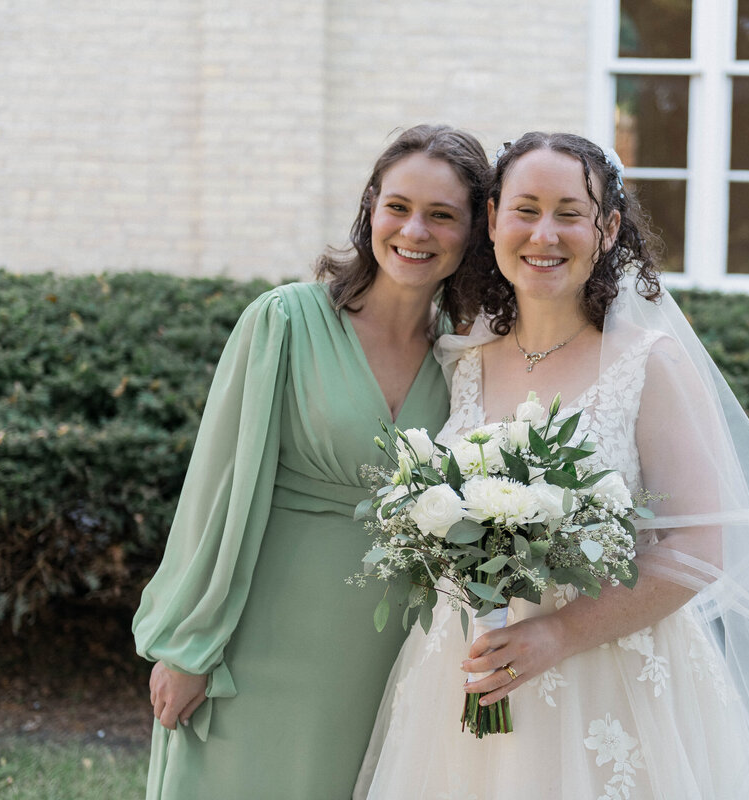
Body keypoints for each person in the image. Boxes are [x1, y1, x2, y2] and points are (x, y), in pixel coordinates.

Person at [355, 132, 749, 799]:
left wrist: (558, 634)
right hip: (468, 671)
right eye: (525, 209)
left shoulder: (649, 364)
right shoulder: (459, 363)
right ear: (493, 220)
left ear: (606, 229)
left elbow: (700, 548)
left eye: (569, 213)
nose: (544, 233)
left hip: (615, 681)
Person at [131, 124, 492, 799]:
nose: (414, 229)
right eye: (398, 206)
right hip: (260, 637)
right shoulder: (285, 321)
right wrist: (187, 643)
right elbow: (220, 493)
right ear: (370, 209)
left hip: (387, 651)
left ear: (472, 233)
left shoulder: (463, 363)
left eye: (442, 215)